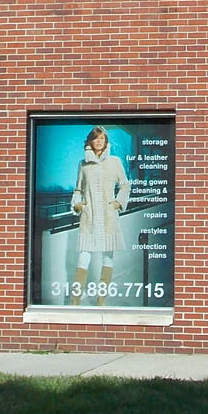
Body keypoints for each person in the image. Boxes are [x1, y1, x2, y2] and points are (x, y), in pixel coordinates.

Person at [69, 126, 129, 305]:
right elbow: (78, 188)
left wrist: (118, 202)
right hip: (89, 216)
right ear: (90, 141)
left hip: (109, 216)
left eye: (102, 138)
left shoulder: (115, 161)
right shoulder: (83, 164)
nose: (99, 141)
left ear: (106, 141)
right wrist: (78, 204)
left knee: (108, 256)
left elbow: (125, 184)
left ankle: (101, 300)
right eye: (96, 138)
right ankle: (75, 300)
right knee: (84, 256)